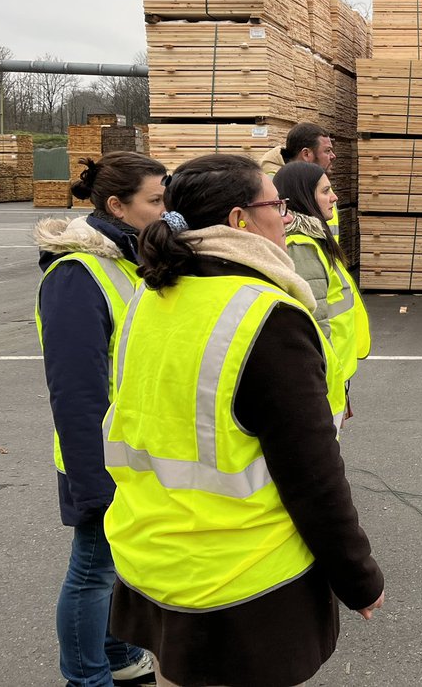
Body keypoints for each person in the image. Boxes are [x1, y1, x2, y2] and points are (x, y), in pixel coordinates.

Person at [104, 154, 383, 687]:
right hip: (240, 581)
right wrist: (358, 578)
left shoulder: (149, 294)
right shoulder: (266, 316)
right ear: (239, 220)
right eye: (275, 204)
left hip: (152, 560)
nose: (286, 216)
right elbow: (312, 476)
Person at [34, 152, 167, 687]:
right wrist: (94, 481)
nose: (165, 212)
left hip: (130, 451)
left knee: (120, 565)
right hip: (98, 455)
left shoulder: (130, 260)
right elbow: (75, 389)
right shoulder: (76, 275)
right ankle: (86, 676)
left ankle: (114, 652)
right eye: (155, 201)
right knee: (93, 570)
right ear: (117, 205)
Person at [274, 161, 370, 431]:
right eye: (325, 191)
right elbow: (312, 323)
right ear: (304, 196)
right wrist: (319, 385)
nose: (334, 197)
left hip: (332, 369)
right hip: (324, 376)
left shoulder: (313, 240)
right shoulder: (302, 247)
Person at [260, 122, 340, 236]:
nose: (333, 156)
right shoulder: (271, 188)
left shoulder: (319, 181)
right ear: (306, 154)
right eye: (327, 151)